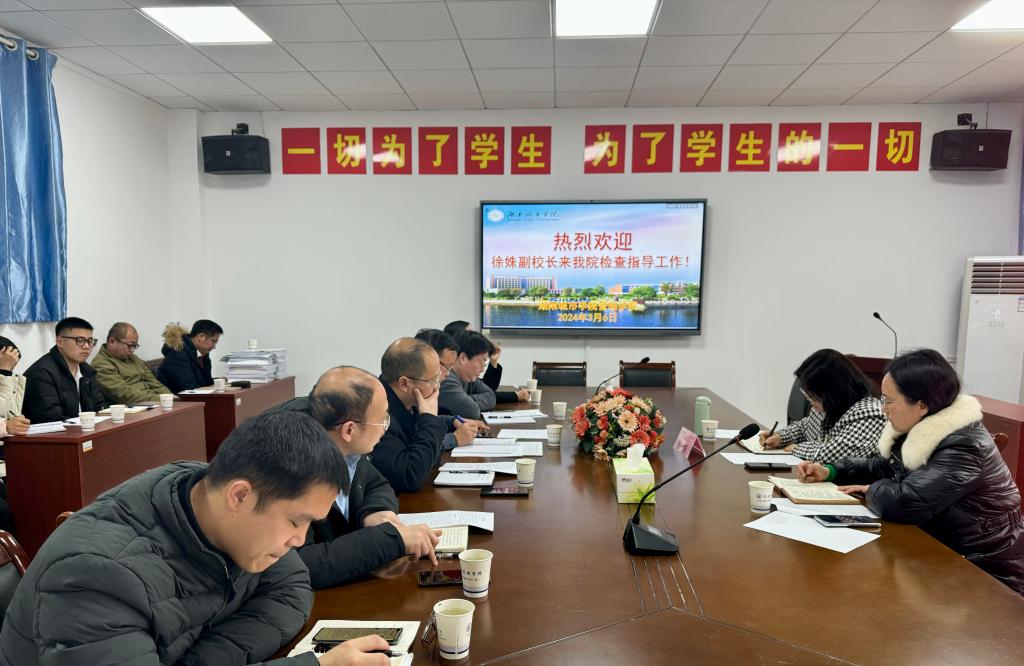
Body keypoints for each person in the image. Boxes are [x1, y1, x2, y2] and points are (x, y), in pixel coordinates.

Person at [0, 410, 393, 665]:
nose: (300, 540)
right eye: (296, 521)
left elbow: (291, 588)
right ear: (240, 496)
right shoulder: (96, 577)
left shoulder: (212, 498)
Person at [797, 349, 1024, 595]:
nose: (883, 409)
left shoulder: (963, 446)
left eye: (889, 401)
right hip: (939, 554)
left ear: (922, 405)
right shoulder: (919, 427)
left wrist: (872, 489)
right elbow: (881, 466)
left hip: (987, 572)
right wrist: (830, 471)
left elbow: (904, 502)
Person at [274, 365, 441, 589]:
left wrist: (375, 513)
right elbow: (300, 565)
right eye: (383, 419)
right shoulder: (288, 465)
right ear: (349, 430)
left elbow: (376, 483)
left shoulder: (342, 442)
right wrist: (390, 541)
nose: (386, 428)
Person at [374, 338, 479, 493]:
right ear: (404, 383)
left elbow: (430, 459)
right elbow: (410, 476)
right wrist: (429, 418)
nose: (438, 386)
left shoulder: (406, 401)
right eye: (433, 380)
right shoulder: (376, 414)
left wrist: (442, 421)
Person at [760, 349, 884, 461]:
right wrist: (780, 437)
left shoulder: (869, 413)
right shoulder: (827, 406)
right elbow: (804, 428)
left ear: (833, 390)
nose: (809, 399)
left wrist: (796, 448)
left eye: (812, 395)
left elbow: (833, 454)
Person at [22, 317, 110, 422]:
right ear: (60, 342)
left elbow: (99, 407)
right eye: (80, 341)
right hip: (56, 431)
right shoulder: (42, 373)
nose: (87, 346)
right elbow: (51, 419)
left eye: (90, 341)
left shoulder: (87, 371)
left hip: (83, 429)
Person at [441, 321, 526, 403]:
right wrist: (515, 395)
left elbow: (489, 392)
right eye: (469, 333)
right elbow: (468, 406)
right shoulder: (447, 376)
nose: (474, 336)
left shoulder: (467, 375)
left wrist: (493, 361)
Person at [91, 321, 172, 403]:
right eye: (130, 345)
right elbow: (125, 395)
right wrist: (162, 399)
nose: (132, 350)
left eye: (134, 346)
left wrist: (171, 398)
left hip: (154, 402)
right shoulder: (101, 364)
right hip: (133, 406)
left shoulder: (132, 358)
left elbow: (155, 383)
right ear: (112, 341)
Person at [438, 330, 497, 421]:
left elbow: (491, 397)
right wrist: (467, 402)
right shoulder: (447, 379)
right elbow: (471, 411)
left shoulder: (468, 378)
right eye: (482, 362)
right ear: (463, 358)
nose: (482, 369)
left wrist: (467, 398)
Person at [158, 319, 222, 392]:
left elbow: (207, 382)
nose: (214, 347)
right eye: (213, 341)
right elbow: (189, 389)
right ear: (201, 336)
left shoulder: (202, 354)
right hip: (177, 398)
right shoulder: (177, 354)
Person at [0, 336, 30, 436]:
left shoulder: (10, 381)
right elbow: (1, 412)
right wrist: (4, 373)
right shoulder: (5, 377)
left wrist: (18, 422)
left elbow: (9, 415)